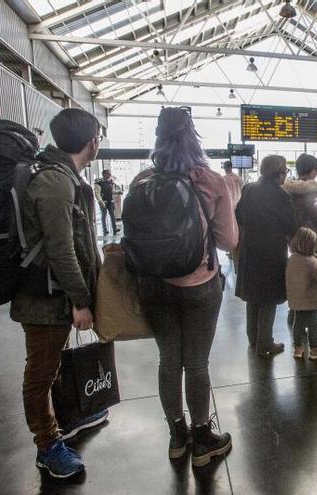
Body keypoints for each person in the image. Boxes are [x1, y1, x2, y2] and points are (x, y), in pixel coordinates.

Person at [131, 107, 238, 466]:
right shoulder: (209, 180)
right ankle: (203, 440)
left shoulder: (143, 179)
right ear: (194, 139)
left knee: (168, 361)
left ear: (158, 139)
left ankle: (177, 438)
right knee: (196, 363)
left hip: (154, 286)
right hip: (199, 285)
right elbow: (228, 241)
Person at [9, 108, 107, 479]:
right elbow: (61, 250)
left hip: (53, 294)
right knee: (40, 373)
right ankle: (47, 445)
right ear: (91, 142)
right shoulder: (55, 182)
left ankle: (66, 418)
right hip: (42, 298)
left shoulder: (62, 176)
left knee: (53, 363)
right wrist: (81, 301)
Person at [235, 155, 298, 357]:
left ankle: (253, 341)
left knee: (252, 297)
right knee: (268, 299)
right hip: (272, 252)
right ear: (279, 174)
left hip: (250, 248)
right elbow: (291, 225)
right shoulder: (282, 196)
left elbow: (238, 215)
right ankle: (265, 344)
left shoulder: (249, 189)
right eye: (285, 172)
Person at [282, 154, 317, 332]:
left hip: (297, 240)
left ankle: (295, 316)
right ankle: (306, 321)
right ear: (310, 171)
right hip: (312, 240)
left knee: (301, 279)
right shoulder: (309, 191)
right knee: (314, 281)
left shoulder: (292, 189)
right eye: (316, 169)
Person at [286, 227, 317, 360]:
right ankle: (315, 348)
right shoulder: (312, 262)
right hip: (311, 299)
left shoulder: (291, 259)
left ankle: (298, 348)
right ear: (312, 245)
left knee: (297, 323)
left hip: (296, 299)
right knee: (312, 324)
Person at [94, 169, 118, 236]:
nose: (110, 175)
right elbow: (97, 193)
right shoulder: (98, 183)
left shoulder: (111, 182)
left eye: (110, 173)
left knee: (112, 216)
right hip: (103, 202)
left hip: (110, 201)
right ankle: (105, 230)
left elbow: (112, 191)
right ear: (103, 174)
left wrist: (118, 192)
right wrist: (100, 201)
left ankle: (114, 229)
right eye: (108, 173)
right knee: (103, 216)